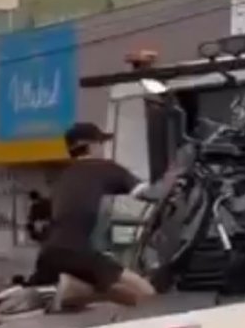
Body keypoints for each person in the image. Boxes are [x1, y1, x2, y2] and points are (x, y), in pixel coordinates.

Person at [33, 122, 158, 310]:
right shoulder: (105, 168)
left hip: (48, 253)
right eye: (101, 143)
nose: (103, 149)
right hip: (77, 251)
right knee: (146, 294)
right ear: (92, 146)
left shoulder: (62, 176)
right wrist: (174, 180)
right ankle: (70, 292)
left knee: (113, 289)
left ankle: (73, 291)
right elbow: (149, 194)